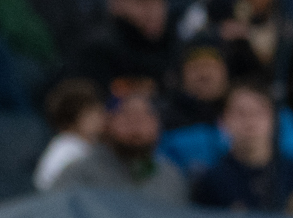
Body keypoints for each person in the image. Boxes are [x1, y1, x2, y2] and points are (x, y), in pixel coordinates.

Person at [51, 85, 190, 204]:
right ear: (107, 122)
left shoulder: (171, 177)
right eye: (127, 115)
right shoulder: (79, 175)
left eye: (145, 116)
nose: (136, 124)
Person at [194, 84, 293, 213]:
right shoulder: (213, 181)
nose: (250, 121)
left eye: (258, 112)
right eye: (240, 113)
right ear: (223, 120)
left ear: (275, 119)